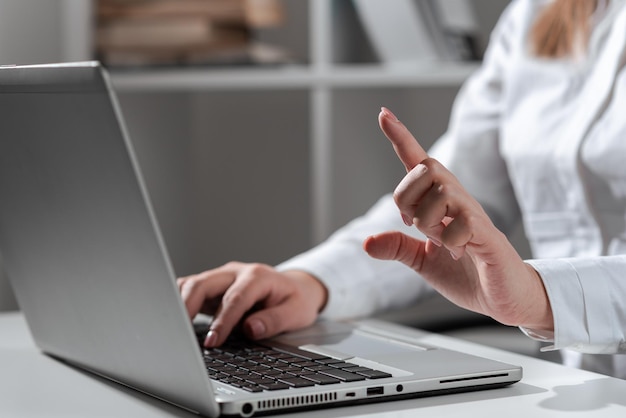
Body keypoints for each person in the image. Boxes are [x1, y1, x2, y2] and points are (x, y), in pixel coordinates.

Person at [178, 0, 626, 379]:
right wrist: (309, 283)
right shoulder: (536, 15)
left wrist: (540, 295)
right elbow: (446, 210)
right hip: (583, 384)